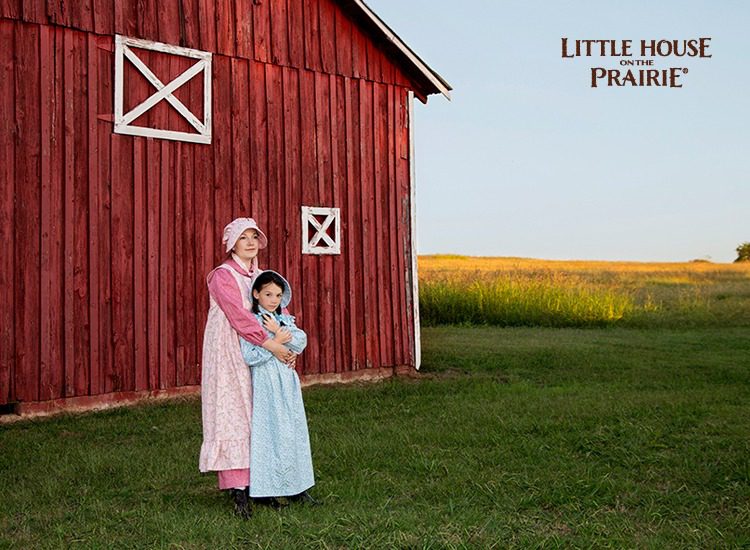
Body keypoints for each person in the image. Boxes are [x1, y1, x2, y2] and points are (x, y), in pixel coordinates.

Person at [199, 217, 296, 519]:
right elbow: (239, 317)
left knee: (260, 411)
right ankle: (238, 489)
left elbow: (280, 310)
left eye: (255, 236)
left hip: (264, 348)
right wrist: (271, 345)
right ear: (232, 244)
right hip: (230, 349)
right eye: (244, 238)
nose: (251, 243)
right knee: (233, 412)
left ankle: (262, 484)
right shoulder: (222, 276)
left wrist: (287, 347)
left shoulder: (263, 277)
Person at [240, 270, 317, 505]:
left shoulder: (283, 319)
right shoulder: (252, 322)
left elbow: (301, 341)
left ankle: (296, 486)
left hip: (287, 381)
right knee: (271, 433)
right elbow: (250, 355)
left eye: (277, 295)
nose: (273, 300)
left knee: (292, 431)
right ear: (256, 294)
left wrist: (277, 331)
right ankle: (266, 489)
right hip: (266, 383)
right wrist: (276, 343)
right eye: (268, 294)